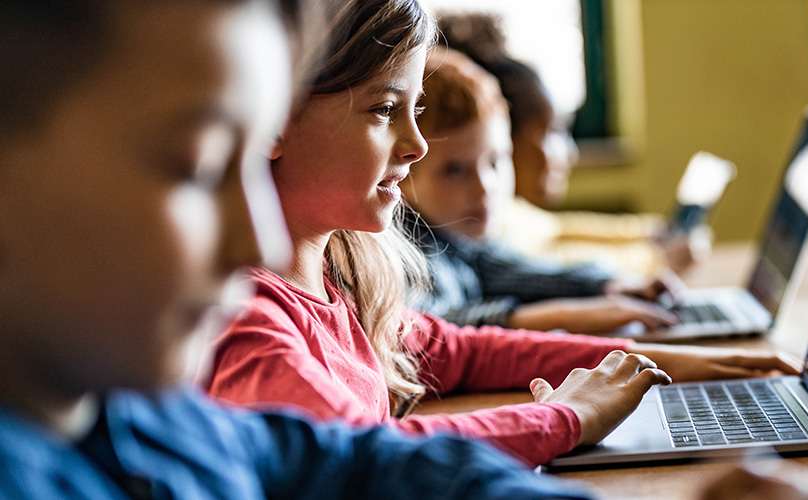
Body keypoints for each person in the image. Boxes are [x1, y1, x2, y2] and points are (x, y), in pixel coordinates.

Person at [0, 0, 590, 498]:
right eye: (200, 169)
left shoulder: (148, 418)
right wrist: (563, 414)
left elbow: (360, 462)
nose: (259, 237)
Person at [204, 0, 806, 467]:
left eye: (414, 111)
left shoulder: (341, 276)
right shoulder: (244, 316)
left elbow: (461, 351)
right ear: (271, 120)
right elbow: (368, 458)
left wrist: (649, 362)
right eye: (385, 110)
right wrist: (565, 419)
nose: (415, 147)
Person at [400, 47, 680, 333]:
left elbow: (516, 270)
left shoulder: (459, 239)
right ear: (400, 174)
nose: (486, 187)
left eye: (496, 160)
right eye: (455, 170)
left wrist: (610, 284)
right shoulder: (402, 255)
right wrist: (560, 317)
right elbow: (432, 333)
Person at [436, 12, 710, 278]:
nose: (569, 153)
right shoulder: (475, 224)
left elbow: (557, 231)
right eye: (552, 132)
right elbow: (550, 269)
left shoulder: (510, 212)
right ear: (508, 134)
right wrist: (657, 259)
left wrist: (653, 233)